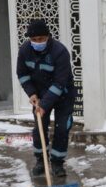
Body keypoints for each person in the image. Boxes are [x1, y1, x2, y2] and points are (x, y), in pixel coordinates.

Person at [16, 19, 76, 178]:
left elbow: (60, 82)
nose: (38, 42)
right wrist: (32, 93)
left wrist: (45, 103)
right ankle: (41, 161)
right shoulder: (24, 51)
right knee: (39, 128)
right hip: (40, 94)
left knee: (62, 127)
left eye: (41, 39)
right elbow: (22, 74)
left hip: (63, 94)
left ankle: (57, 163)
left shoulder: (60, 52)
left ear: (48, 36)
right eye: (34, 40)